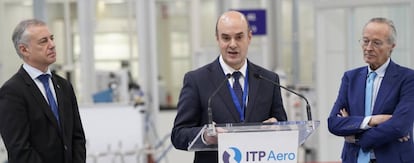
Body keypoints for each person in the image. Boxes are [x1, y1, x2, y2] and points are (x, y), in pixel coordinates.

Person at [171, 10, 287, 163]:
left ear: (249, 37)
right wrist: (205, 136)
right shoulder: (197, 80)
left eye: (239, 37)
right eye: (226, 38)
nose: (233, 44)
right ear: (217, 39)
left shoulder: (269, 79)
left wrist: (277, 128)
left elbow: (283, 125)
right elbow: (178, 134)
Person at [327, 17, 414, 163]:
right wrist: (372, 120)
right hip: (354, 159)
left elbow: (399, 126)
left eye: (376, 43)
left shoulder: (407, 78)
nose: (368, 48)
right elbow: (334, 122)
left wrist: (355, 136)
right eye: (365, 41)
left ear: (392, 46)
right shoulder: (350, 78)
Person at [0, 19, 86, 163]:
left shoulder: (64, 86)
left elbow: (77, 137)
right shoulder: (12, 92)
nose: (52, 45)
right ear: (24, 49)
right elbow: (19, 148)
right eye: (43, 41)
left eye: (51, 38)